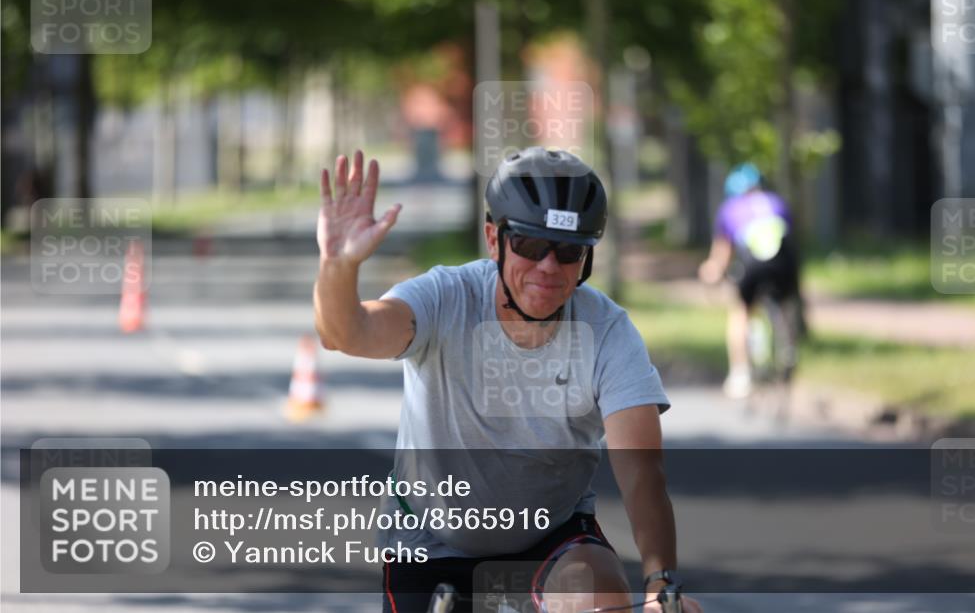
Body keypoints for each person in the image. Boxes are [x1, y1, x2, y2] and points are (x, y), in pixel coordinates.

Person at [314, 148, 702, 613]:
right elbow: (346, 333)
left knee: (594, 591)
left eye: (568, 251)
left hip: (552, 541)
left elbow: (642, 471)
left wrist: (661, 586)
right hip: (430, 543)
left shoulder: (607, 330)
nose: (548, 268)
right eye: (531, 246)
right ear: (494, 239)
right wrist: (338, 267)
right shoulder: (445, 298)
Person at [697, 162, 801, 398]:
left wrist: (711, 271)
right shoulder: (778, 202)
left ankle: (741, 374)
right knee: (785, 302)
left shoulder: (729, 208)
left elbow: (721, 257)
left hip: (753, 264)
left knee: (740, 311)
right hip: (785, 261)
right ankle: (788, 346)